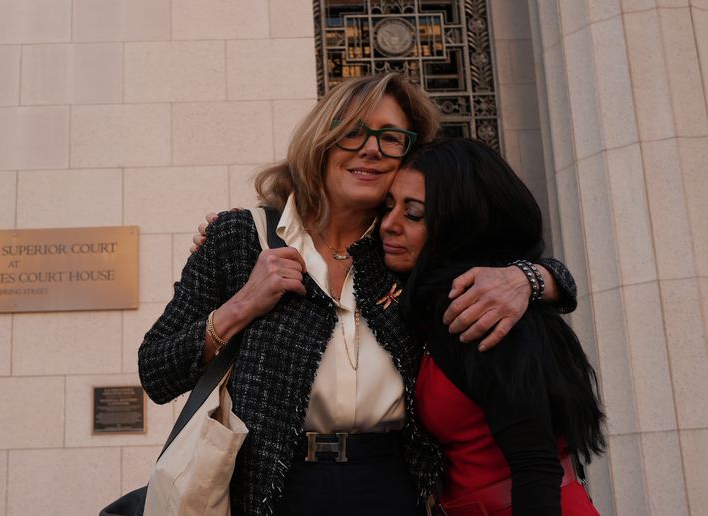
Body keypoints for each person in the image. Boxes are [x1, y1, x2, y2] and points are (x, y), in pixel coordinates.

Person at [139, 73, 576, 516]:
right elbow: (156, 372)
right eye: (352, 131)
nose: (371, 149)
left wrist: (530, 278)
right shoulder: (240, 238)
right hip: (273, 487)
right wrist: (241, 306)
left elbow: (522, 251)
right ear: (322, 141)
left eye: (391, 137)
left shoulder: (407, 248)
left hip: (394, 484)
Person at [384, 139, 605, 515]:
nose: (389, 225)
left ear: (458, 224)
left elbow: (535, 468)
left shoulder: (482, 312)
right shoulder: (432, 303)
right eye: (388, 206)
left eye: (414, 214)